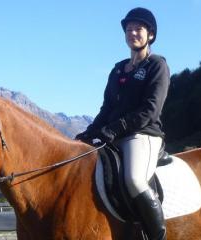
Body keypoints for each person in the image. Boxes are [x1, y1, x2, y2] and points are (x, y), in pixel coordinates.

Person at [76, 7, 169, 240]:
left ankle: (158, 236)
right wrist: (89, 133)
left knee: (134, 179)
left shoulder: (157, 66)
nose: (133, 33)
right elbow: (107, 108)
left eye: (138, 28)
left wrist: (115, 128)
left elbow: (150, 109)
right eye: (129, 29)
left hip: (143, 135)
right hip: (114, 137)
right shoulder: (118, 69)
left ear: (151, 35)